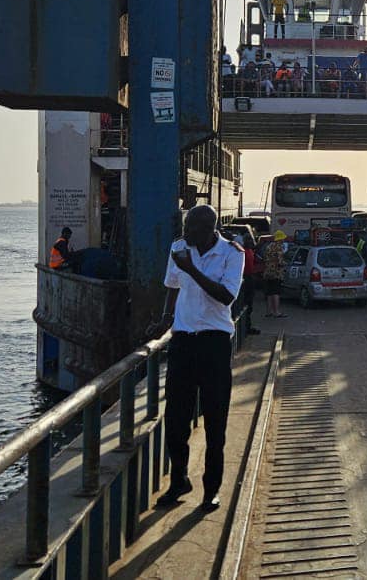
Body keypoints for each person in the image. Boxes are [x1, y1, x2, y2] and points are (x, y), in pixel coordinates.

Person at [156, 205, 245, 511]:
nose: (185, 233)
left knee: (215, 420)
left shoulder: (233, 254)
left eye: (191, 228)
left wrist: (192, 268)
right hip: (182, 341)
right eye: (185, 227)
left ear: (209, 229)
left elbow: (226, 296)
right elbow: (172, 286)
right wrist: (164, 318)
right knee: (176, 419)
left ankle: (211, 489)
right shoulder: (179, 247)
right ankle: (178, 480)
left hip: (214, 343)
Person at [260, 230, 287, 318]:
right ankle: (276, 312)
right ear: (280, 239)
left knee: (269, 292)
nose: (283, 240)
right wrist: (285, 263)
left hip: (268, 272)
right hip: (276, 273)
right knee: (276, 292)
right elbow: (280, 261)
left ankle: (269, 311)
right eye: (282, 239)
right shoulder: (278, 247)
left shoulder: (269, 246)